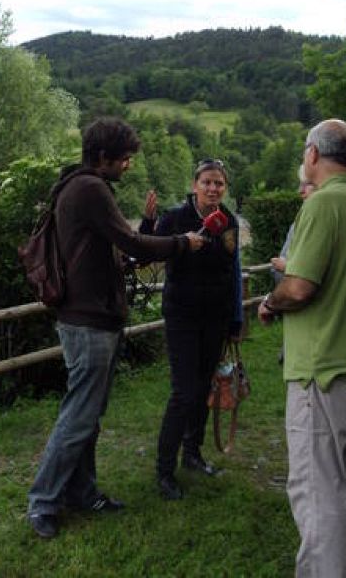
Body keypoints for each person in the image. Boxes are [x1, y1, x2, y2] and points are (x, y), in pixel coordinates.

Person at [27, 117, 205, 539]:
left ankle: (82, 493)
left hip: (91, 317)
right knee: (78, 416)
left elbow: (108, 249)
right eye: (124, 158)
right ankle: (43, 502)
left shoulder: (78, 186)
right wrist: (185, 243)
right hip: (89, 321)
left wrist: (123, 259)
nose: (128, 165)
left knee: (88, 415)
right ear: (102, 156)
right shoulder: (89, 188)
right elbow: (133, 243)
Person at [258, 119, 346, 578]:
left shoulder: (322, 206)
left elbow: (298, 287)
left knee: (317, 485)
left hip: (325, 368)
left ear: (314, 155)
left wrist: (270, 302)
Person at [141, 158, 243, 500]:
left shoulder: (228, 221)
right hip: (182, 316)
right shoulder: (175, 217)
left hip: (215, 317)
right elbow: (147, 253)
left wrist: (234, 320)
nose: (213, 189)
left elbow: (231, 271)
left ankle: (193, 454)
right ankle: (164, 470)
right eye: (207, 182)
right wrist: (151, 222)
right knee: (183, 392)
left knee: (202, 389)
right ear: (195, 184)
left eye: (219, 183)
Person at [270, 164, 316, 285]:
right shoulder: (298, 222)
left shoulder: (327, 224)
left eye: (308, 184)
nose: (300, 191)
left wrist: (286, 267)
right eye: (301, 184)